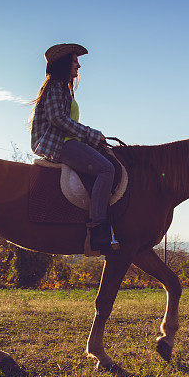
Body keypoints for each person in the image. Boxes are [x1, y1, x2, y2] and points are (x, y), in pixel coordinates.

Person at [31, 43, 115, 250]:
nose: (79, 67)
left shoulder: (64, 90)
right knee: (106, 169)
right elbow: (57, 118)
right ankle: (98, 230)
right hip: (57, 144)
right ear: (64, 64)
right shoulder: (55, 87)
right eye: (75, 62)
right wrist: (92, 134)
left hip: (68, 141)